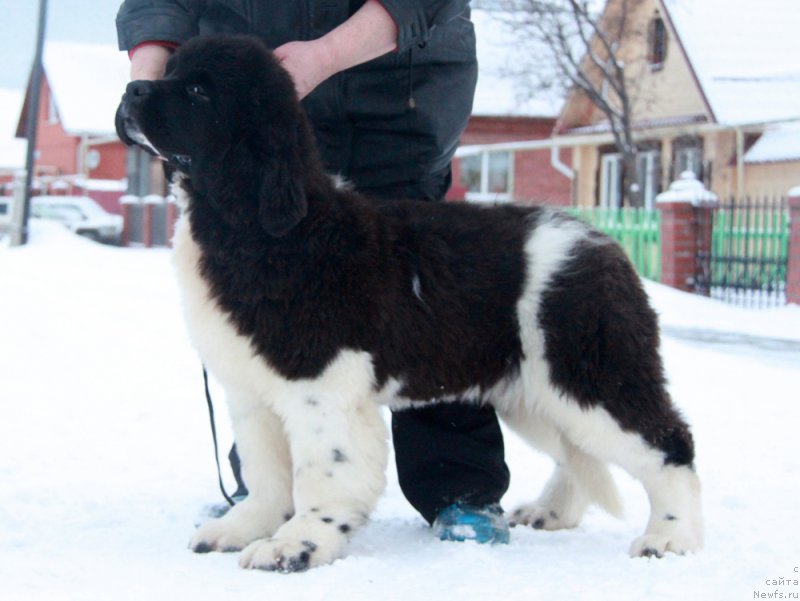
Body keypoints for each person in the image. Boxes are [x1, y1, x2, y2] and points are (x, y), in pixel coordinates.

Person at [116, 0, 510, 543]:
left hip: (400, 89)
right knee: (254, 298)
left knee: (418, 299)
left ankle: (458, 486)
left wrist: (325, 55)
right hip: (249, 91)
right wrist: (150, 86)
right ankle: (271, 492)